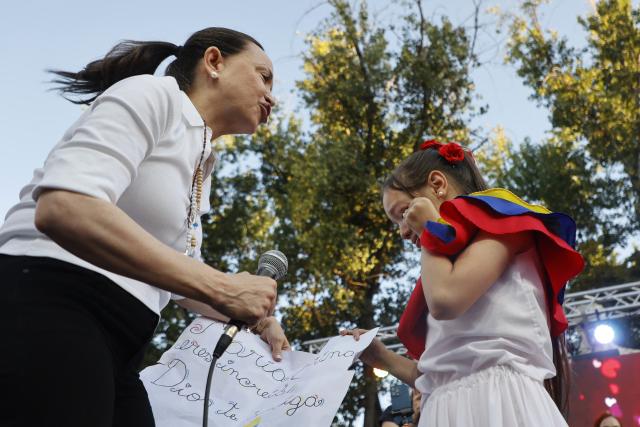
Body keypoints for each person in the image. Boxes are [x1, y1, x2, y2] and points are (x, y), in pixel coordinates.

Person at [0, 28, 289, 427]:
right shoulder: (153, 95)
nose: (272, 96)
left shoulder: (202, 162)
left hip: (123, 346)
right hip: (52, 302)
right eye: (264, 76)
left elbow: (178, 278)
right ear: (214, 62)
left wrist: (255, 319)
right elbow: (66, 206)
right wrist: (223, 287)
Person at [342, 139, 584, 426]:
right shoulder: (439, 261)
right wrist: (381, 356)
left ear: (437, 184)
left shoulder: (505, 223)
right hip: (441, 410)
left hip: (499, 401)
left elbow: (446, 300)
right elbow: (438, 374)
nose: (403, 232)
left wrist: (430, 229)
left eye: (403, 213)